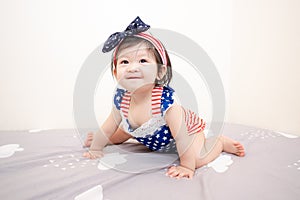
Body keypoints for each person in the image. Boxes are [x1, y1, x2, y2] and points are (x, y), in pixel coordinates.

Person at [83, 16, 245, 179]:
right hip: (149, 136)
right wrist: (96, 146)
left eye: (143, 60)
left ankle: (219, 142)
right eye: (125, 61)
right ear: (116, 72)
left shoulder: (164, 104)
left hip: (187, 134)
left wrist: (187, 167)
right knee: (120, 132)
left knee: (198, 158)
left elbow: (182, 136)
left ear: (160, 72)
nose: (132, 68)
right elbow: (109, 125)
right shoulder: (122, 100)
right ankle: (102, 140)